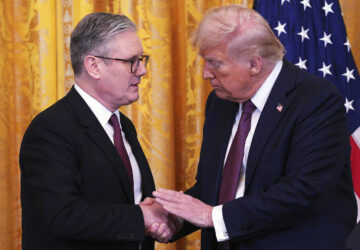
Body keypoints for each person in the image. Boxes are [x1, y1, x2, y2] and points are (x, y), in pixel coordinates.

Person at [154, 4, 357, 250]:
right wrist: (174, 217)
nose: (206, 73)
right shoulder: (220, 103)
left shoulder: (316, 100)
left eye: (215, 63)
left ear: (254, 64)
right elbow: (215, 187)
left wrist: (211, 217)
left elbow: (302, 192)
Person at [19, 12, 175, 250]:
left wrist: (160, 218)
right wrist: (141, 218)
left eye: (142, 59)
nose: (142, 70)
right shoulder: (50, 130)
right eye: (132, 61)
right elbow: (63, 215)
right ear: (93, 66)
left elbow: (131, 201)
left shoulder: (124, 125)